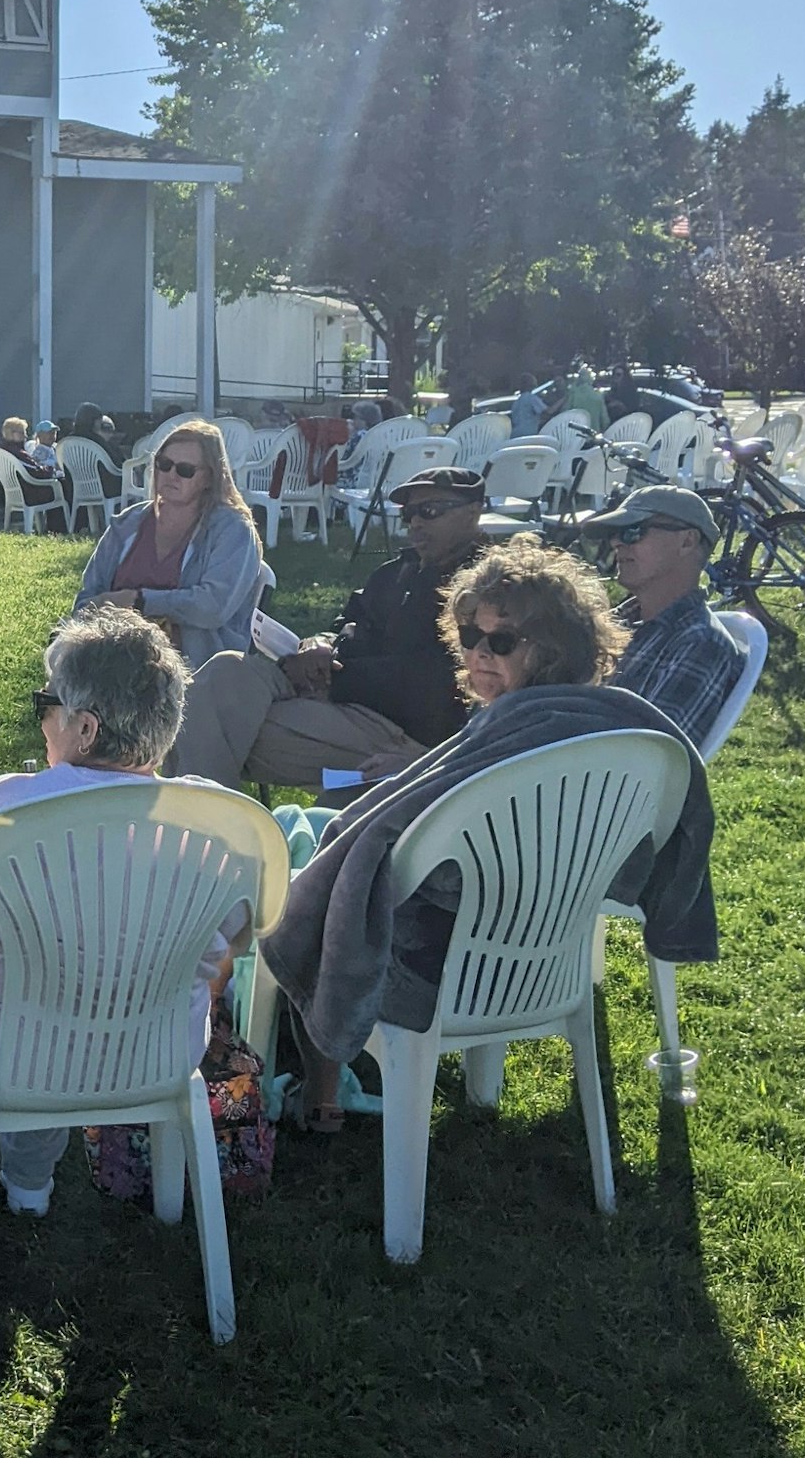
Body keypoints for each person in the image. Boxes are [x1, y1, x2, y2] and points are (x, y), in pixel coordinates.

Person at [262, 534, 715, 1131]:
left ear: (556, 649)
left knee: (313, 869)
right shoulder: (611, 738)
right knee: (314, 832)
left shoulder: (516, 744)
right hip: (546, 953)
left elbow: (369, 839)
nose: (478, 652)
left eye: (500, 641)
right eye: (470, 636)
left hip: (440, 964)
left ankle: (317, 1095)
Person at [0, 608, 245, 1214]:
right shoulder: (215, 824)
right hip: (150, 1053)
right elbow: (239, 931)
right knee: (57, 999)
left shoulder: (6, 809)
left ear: (85, 729)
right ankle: (30, 1186)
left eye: (47, 701)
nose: (42, 714)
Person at [172, 466, 487, 789]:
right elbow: (346, 622)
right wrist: (317, 645)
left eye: (430, 511)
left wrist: (335, 680)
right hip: (336, 695)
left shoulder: (481, 589)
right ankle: (192, 811)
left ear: (473, 514)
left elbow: (432, 684)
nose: (416, 523)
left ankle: (193, 823)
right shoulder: (396, 573)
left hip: (397, 728)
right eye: (408, 514)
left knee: (214, 726)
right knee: (227, 670)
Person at [73, 419, 262, 666]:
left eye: (185, 470)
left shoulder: (233, 529)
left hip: (193, 666)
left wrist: (138, 600)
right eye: (164, 465)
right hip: (111, 653)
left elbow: (213, 607)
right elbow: (86, 600)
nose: (171, 475)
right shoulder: (128, 523)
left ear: (209, 477)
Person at [579, 486, 746, 745]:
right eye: (614, 534)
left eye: (633, 531)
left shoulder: (700, 643)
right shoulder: (620, 620)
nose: (616, 542)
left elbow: (653, 756)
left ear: (687, 541)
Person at [563, 363, 610, 432]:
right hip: (592, 434)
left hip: (574, 435)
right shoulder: (598, 396)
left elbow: (564, 414)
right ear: (591, 380)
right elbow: (605, 420)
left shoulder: (573, 395)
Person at [508, 372, 548, 439]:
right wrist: (563, 399)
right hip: (529, 434)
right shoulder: (532, 398)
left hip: (515, 434)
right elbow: (549, 411)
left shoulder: (516, 402)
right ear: (532, 385)